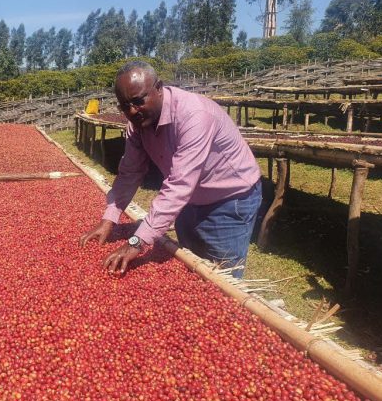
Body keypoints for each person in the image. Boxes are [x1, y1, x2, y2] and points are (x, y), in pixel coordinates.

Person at [80, 60, 262, 278]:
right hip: (189, 200)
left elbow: (179, 184)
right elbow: (130, 173)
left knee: (221, 279)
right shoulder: (137, 126)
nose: (132, 111)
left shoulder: (194, 116)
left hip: (229, 200)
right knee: (189, 269)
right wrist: (109, 219)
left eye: (138, 101)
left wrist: (136, 242)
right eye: (124, 106)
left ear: (159, 88)